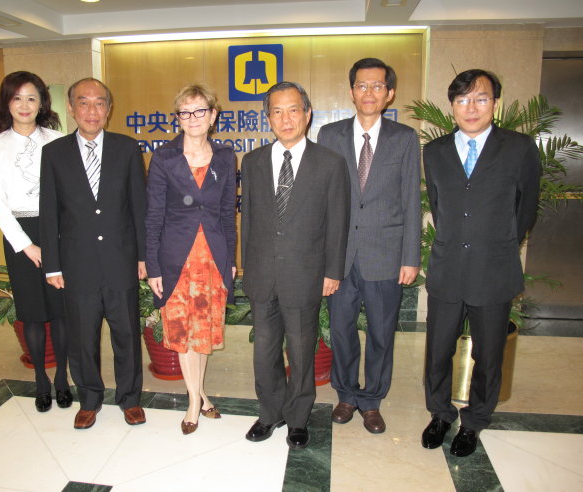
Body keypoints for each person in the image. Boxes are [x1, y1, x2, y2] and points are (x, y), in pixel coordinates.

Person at [421, 69, 541, 457]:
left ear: (495, 103)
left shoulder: (519, 148)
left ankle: (473, 422)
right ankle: (440, 414)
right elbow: (440, 208)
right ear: (451, 105)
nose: (470, 107)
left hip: (494, 270)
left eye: (480, 99)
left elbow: (525, 210)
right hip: (447, 269)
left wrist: (498, 243)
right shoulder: (435, 151)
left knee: (489, 356)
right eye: (462, 100)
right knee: (438, 352)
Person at [241, 81, 350, 449]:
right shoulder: (253, 161)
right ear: (268, 117)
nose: (285, 119)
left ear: (307, 114)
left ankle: (299, 418)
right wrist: (246, 268)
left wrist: (333, 272)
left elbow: (337, 222)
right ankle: (269, 413)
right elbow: (250, 222)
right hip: (262, 274)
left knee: (302, 352)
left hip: (305, 274)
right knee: (265, 351)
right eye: (276, 111)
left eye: (293, 110)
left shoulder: (330, 163)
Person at [317, 58, 421, 433]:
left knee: (381, 332)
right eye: (362, 85)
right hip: (340, 257)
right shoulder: (329, 135)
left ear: (389, 93)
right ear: (351, 92)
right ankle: (346, 395)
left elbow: (411, 200)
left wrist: (410, 257)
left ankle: (372, 400)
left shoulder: (405, 138)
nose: (369, 92)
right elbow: (323, 200)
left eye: (378, 86)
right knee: (342, 330)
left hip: (386, 254)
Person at [39, 78, 148, 430]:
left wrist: (144, 257)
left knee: (127, 335)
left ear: (109, 109)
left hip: (121, 260)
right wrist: (52, 265)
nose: (91, 110)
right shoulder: (54, 153)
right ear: (70, 108)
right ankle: (89, 399)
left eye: (99, 103)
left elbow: (139, 208)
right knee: (82, 337)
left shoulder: (127, 149)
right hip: (77, 264)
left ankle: (130, 399)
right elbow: (49, 212)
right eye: (83, 103)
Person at [145, 84, 237, 435]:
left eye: (200, 111)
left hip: (212, 257)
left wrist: (230, 259)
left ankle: (200, 395)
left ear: (213, 115)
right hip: (175, 260)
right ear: (178, 117)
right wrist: (153, 266)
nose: (193, 118)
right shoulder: (164, 158)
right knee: (184, 332)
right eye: (185, 112)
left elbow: (228, 215)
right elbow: (153, 217)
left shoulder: (227, 157)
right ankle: (194, 402)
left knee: (203, 332)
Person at [0, 71, 72, 413]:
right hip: (18, 234)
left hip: (58, 231)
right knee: (33, 314)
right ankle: (41, 381)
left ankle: (62, 379)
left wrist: (57, 240)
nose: (24, 105)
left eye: (31, 98)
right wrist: (26, 245)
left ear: (42, 103)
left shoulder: (57, 138)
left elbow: (67, 193)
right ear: (7, 102)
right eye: (17, 98)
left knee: (60, 313)